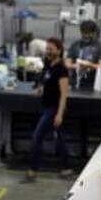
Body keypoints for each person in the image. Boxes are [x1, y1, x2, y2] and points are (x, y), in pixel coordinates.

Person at [28, 38, 73, 181]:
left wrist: (59, 114)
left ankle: (33, 170)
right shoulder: (48, 65)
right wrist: (41, 90)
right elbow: (47, 83)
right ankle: (66, 168)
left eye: (51, 49)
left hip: (54, 108)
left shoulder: (62, 69)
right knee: (60, 138)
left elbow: (64, 94)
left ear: (59, 50)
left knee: (37, 135)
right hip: (46, 105)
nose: (48, 51)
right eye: (47, 48)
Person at [66, 20, 101, 90]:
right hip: (74, 84)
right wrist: (77, 66)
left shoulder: (100, 47)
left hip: (92, 85)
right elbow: (67, 64)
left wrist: (89, 65)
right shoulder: (75, 45)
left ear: (94, 33)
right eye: (84, 33)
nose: (86, 36)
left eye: (89, 34)